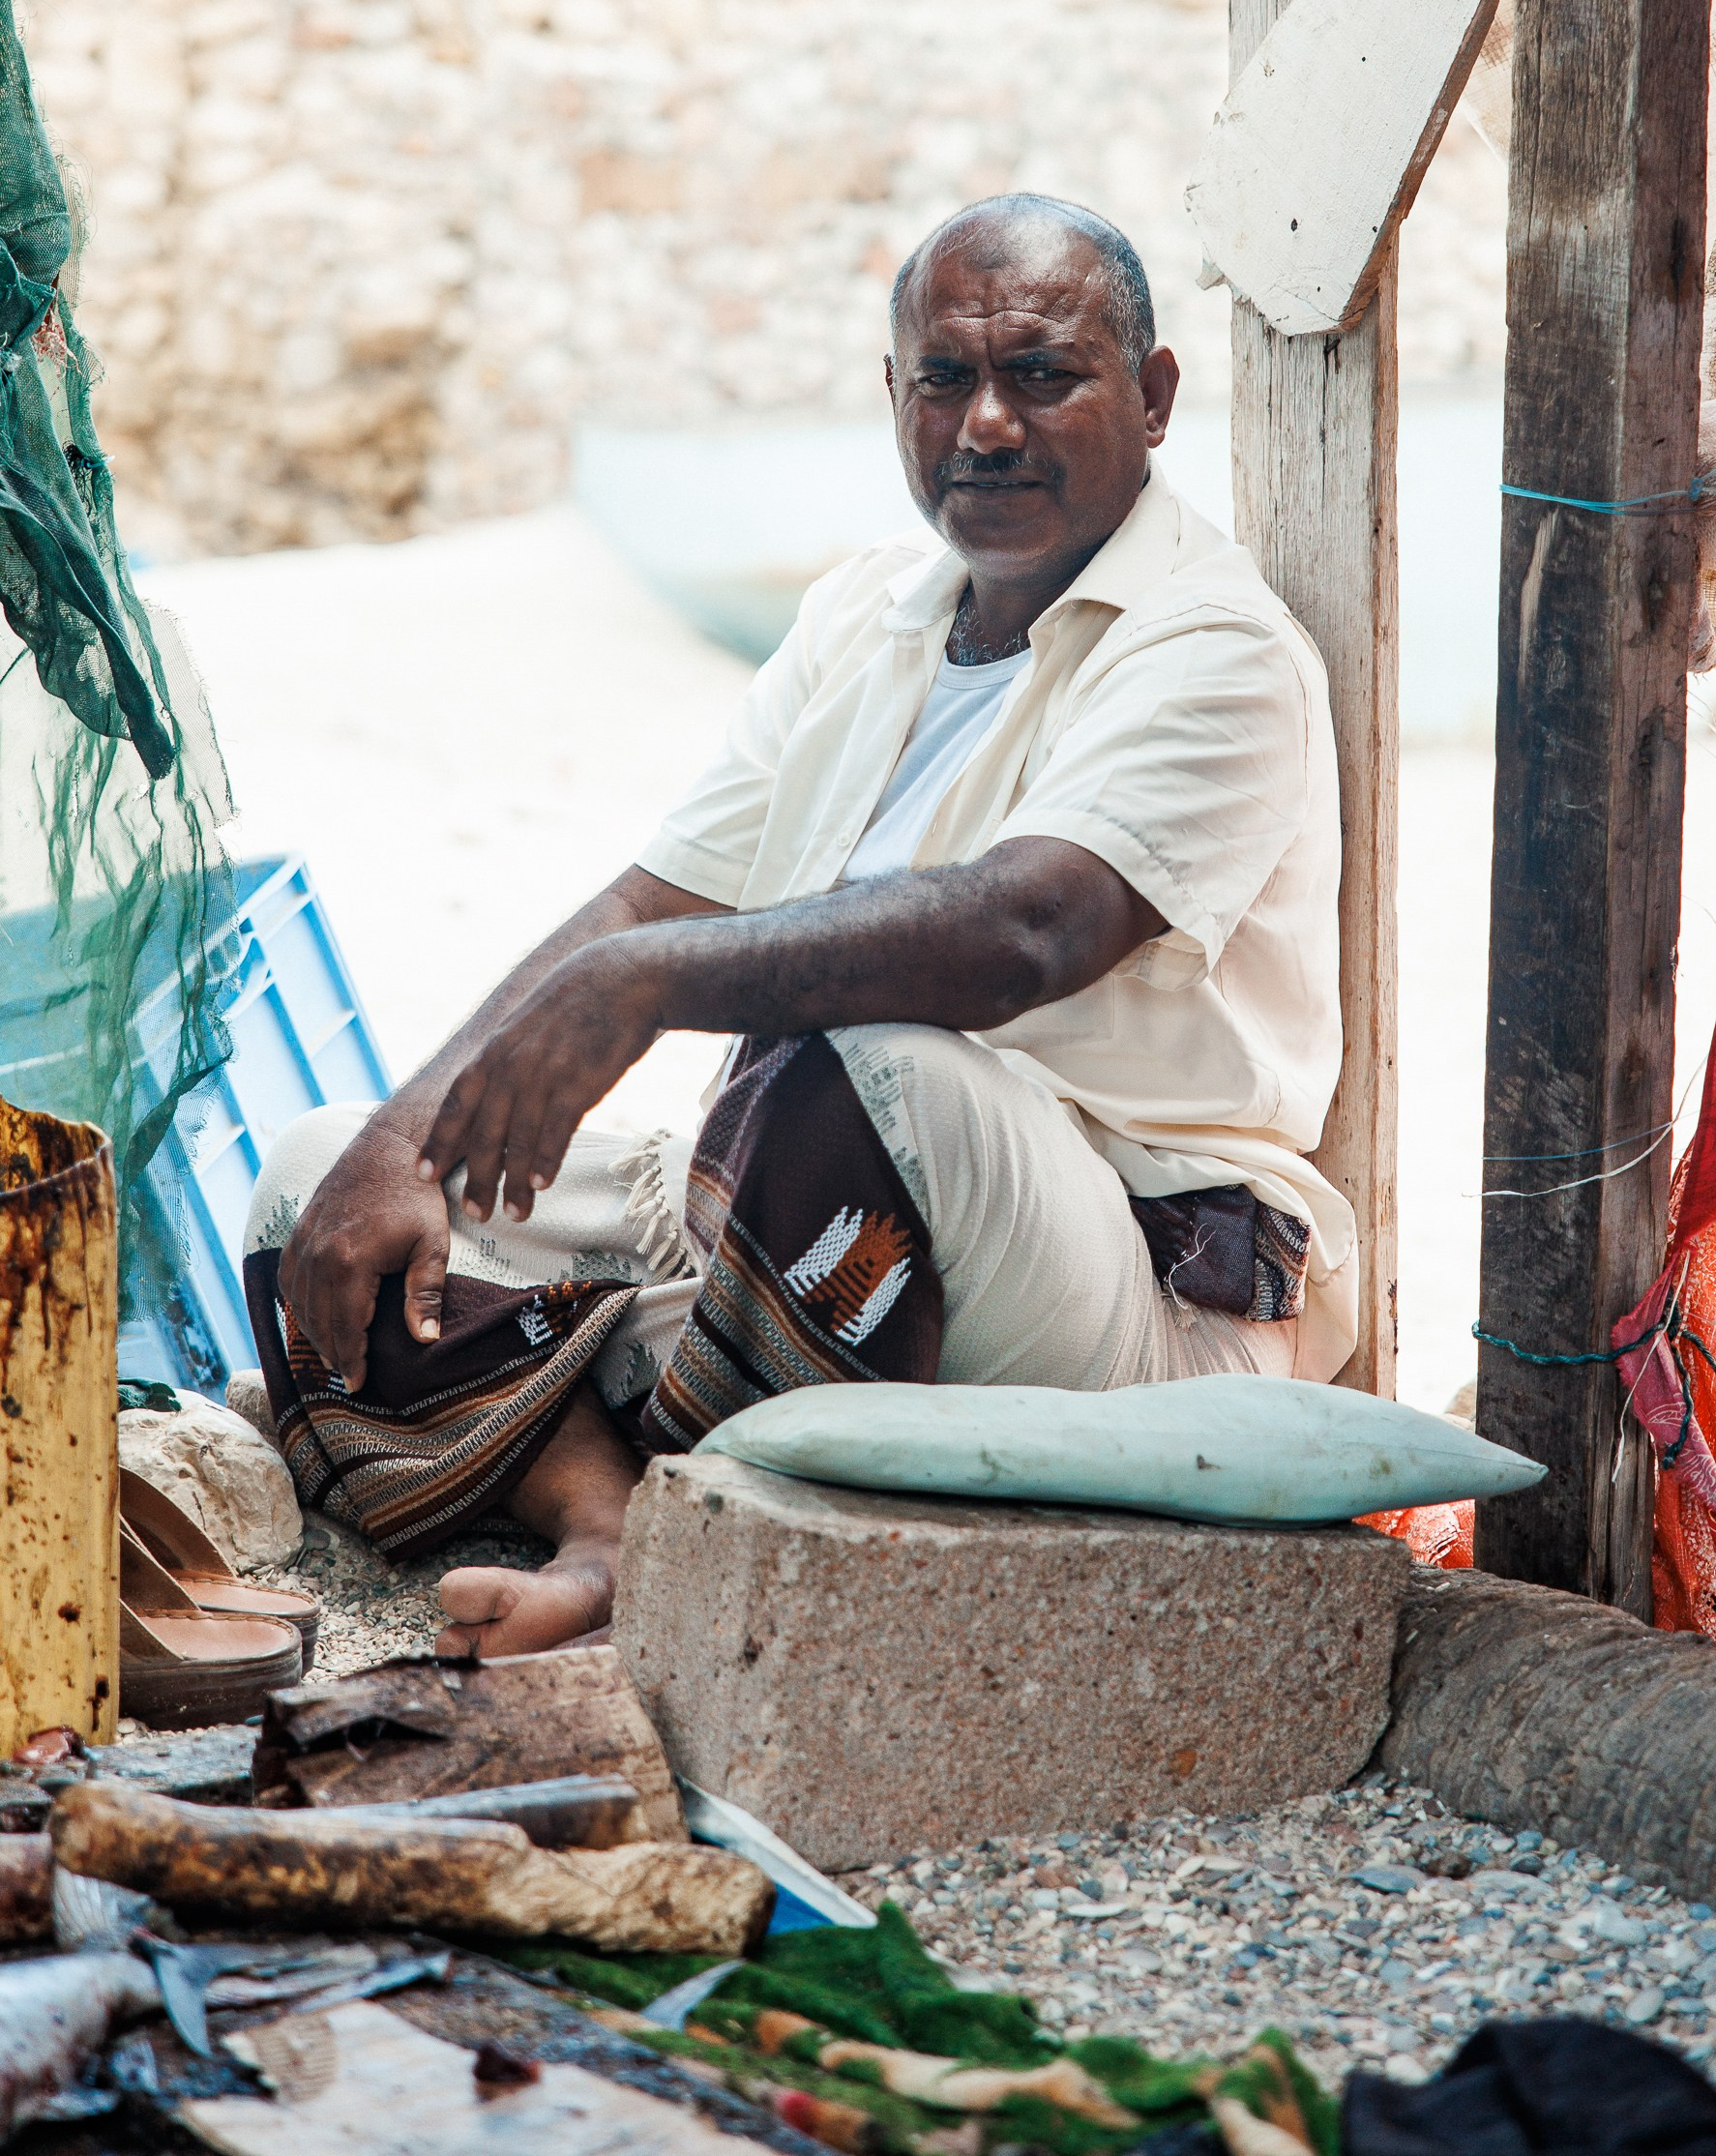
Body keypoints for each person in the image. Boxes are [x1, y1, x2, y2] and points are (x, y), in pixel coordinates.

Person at [245, 193, 1353, 1658]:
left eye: (1044, 376)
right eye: (947, 380)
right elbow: (652, 898)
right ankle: (619, 1527)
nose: (990, 426)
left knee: (872, 1055)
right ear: (893, 399)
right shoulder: (867, 616)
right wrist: (415, 1128)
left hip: (1115, 1288)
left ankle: (703, 1483)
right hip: (794, 1218)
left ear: (1150, 401)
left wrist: (642, 989)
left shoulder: (1213, 649)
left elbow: (1029, 930)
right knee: (325, 1182)